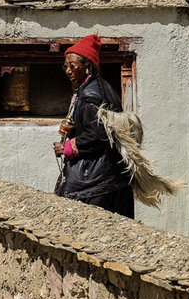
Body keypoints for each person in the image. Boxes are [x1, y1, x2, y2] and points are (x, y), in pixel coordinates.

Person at [53, 34, 134, 218]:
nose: (68, 71)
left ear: (88, 66)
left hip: (96, 180)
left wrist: (67, 147)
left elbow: (98, 135)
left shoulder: (90, 97)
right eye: (65, 66)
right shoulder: (101, 88)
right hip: (113, 176)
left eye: (73, 66)